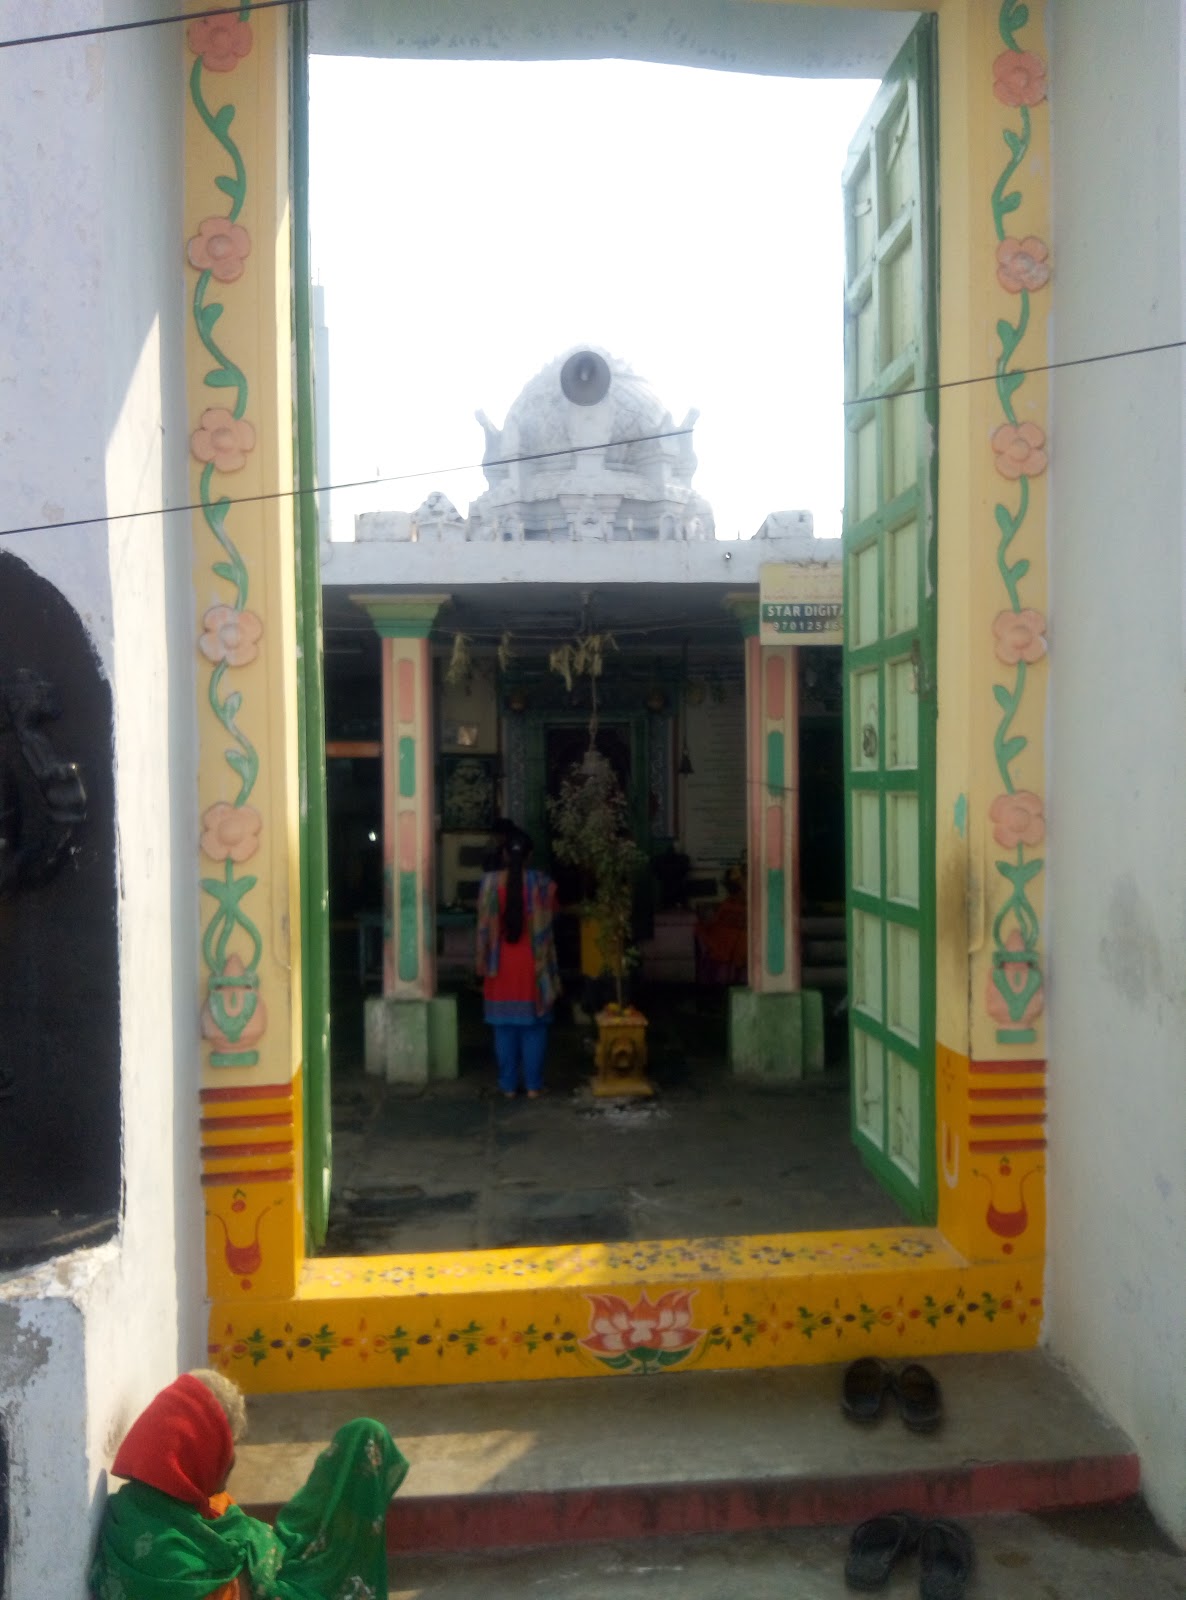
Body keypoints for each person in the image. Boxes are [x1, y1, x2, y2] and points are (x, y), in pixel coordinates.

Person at [89, 1368, 408, 1600]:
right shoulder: (169, 1559)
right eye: (225, 1449)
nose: (231, 1461)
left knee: (362, 1436)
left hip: (275, 1565)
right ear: (201, 1451)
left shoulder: (148, 1502)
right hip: (276, 1581)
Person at [475, 829, 560, 1099]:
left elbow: (482, 925)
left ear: (503, 854)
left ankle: (508, 1086)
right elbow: (554, 912)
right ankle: (534, 1085)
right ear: (529, 856)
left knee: (504, 1029)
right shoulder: (542, 884)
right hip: (533, 965)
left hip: (498, 966)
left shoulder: (488, 884)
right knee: (534, 1028)